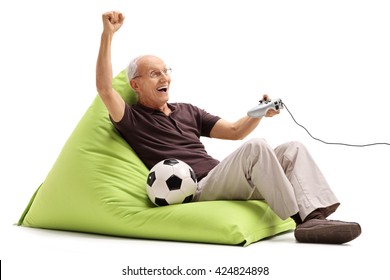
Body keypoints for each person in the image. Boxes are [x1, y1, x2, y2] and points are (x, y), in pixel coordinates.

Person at [96, 11, 361, 244]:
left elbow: (235, 131)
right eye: (154, 74)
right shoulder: (133, 119)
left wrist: (257, 115)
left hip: (222, 176)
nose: (165, 77)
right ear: (135, 85)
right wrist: (108, 34)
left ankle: (315, 218)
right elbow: (105, 88)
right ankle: (300, 221)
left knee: (293, 148)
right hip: (197, 187)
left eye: (166, 71)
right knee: (256, 148)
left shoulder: (188, 110)